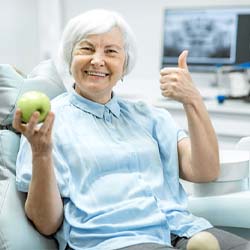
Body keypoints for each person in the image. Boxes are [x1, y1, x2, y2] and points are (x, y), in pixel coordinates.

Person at [13, 9, 250, 250]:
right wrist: (41, 153)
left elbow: (205, 171)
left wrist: (193, 101)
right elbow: (46, 224)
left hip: (182, 228)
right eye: (86, 48)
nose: (97, 60)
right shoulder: (47, 125)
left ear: (124, 64)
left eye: (111, 51)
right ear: (69, 57)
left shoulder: (149, 116)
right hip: (115, 240)